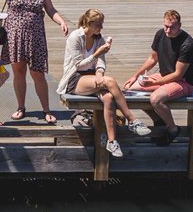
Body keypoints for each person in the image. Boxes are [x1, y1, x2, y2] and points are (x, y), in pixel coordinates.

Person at [57, 9, 153, 158]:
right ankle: (132, 120)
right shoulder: (75, 37)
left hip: (91, 78)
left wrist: (99, 73)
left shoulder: (98, 39)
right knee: (111, 81)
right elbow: (78, 65)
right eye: (98, 25)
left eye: (101, 25)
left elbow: (101, 63)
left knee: (108, 98)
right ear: (88, 23)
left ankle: (112, 141)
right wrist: (96, 54)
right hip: (74, 78)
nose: (100, 28)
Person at [0, 0, 70, 123]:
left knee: (38, 74)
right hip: (15, 35)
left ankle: (46, 110)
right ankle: (21, 107)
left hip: (35, 36)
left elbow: (50, 9)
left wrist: (61, 22)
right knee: (19, 73)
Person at [123, 10, 193, 145]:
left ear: (179, 25)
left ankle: (172, 128)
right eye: (166, 26)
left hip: (183, 82)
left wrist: (153, 82)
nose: (168, 30)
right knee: (130, 91)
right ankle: (158, 120)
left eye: (172, 27)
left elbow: (177, 74)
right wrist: (136, 76)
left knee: (156, 98)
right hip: (164, 75)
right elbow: (153, 58)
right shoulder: (160, 34)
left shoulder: (188, 44)